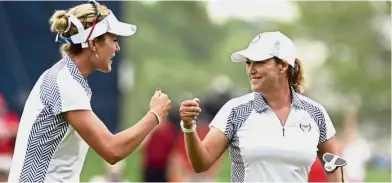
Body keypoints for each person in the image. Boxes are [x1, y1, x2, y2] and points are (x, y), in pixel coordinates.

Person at [7, 1, 171, 182]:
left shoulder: (67, 78)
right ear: (93, 44)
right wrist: (155, 114)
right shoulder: (66, 84)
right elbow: (112, 150)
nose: (117, 48)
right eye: (114, 40)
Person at [179, 31, 342, 182]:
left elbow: (334, 166)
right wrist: (188, 127)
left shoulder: (315, 113)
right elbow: (201, 163)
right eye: (248, 63)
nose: (251, 70)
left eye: (259, 62)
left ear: (283, 65)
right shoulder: (235, 110)